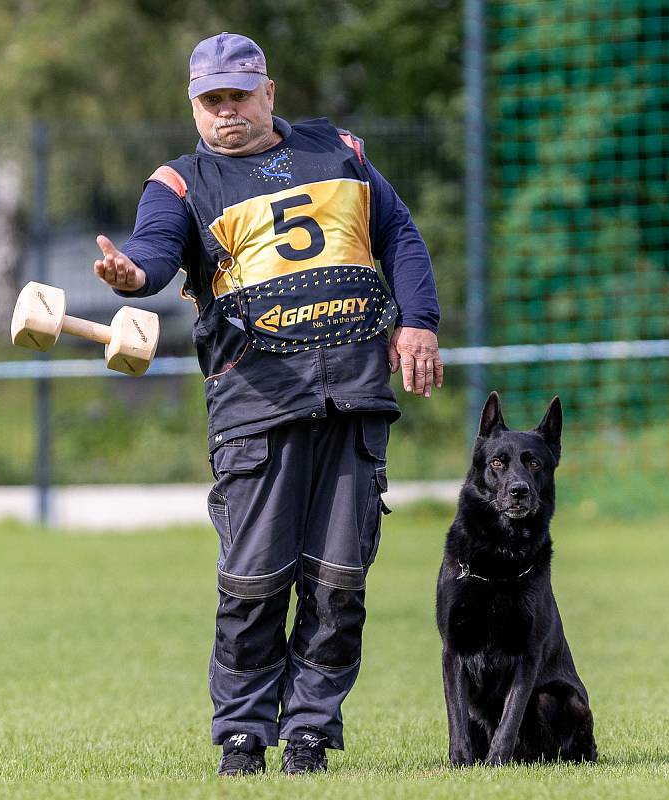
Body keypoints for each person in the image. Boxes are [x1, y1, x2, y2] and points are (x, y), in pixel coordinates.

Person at [94, 31, 442, 776]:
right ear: (194, 104)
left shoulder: (340, 151)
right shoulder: (180, 184)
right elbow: (154, 252)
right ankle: (244, 735)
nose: (226, 114)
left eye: (238, 98)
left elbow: (401, 234)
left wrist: (418, 321)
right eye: (211, 101)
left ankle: (312, 733)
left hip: (352, 396)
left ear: (269, 93)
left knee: (338, 581)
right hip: (256, 408)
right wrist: (130, 276)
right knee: (254, 584)